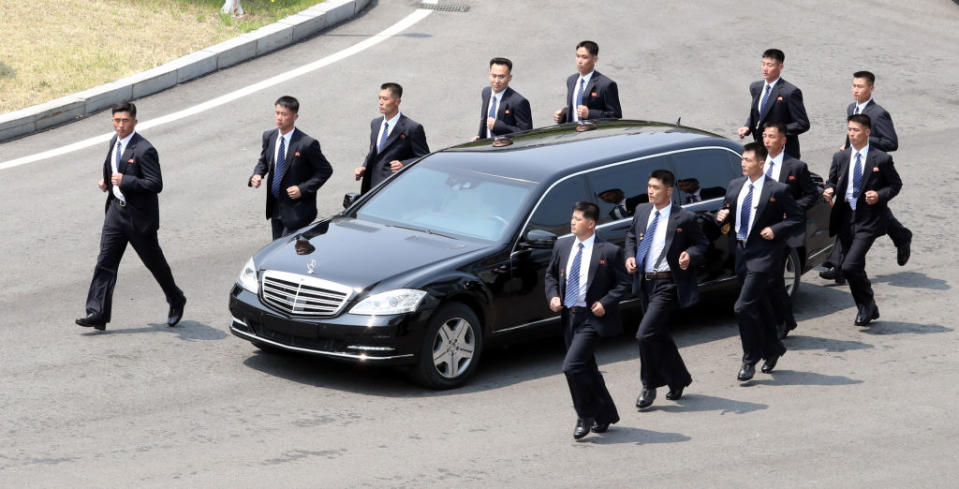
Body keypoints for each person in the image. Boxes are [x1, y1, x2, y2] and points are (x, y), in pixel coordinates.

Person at [75, 102, 186, 331]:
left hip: (139, 218)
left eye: (125, 120)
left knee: (154, 263)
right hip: (116, 213)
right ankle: (97, 312)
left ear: (135, 121)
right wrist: (106, 182)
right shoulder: (113, 142)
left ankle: (175, 298)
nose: (121, 125)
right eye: (117, 120)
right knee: (105, 262)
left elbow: (155, 184)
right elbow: (112, 167)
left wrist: (125, 181)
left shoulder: (145, 149)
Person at [715, 142, 803, 381]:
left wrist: (775, 229)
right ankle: (773, 348)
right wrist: (721, 216)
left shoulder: (778, 190)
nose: (743, 163)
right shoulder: (735, 186)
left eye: (748, 160)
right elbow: (726, 213)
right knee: (759, 305)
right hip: (742, 253)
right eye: (742, 159)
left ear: (761, 163)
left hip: (765, 256)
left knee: (742, 307)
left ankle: (749, 359)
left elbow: (796, 219)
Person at [544, 202, 630, 439]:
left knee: (571, 367)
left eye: (578, 219)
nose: (572, 222)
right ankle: (606, 415)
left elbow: (624, 283)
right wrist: (553, 297)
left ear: (591, 224)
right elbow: (551, 274)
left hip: (592, 318)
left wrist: (605, 302)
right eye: (572, 217)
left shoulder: (608, 251)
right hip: (570, 317)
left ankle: (585, 415)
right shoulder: (562, 245)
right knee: (586, 367)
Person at [625, 170, 708, 409]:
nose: (650, 191)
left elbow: (701, 244)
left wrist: (689, 255)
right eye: (649, 186)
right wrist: (630, 257)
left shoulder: (684, 218)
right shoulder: (642, 211)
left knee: (645, 334)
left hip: (667, 284)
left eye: (656, 187)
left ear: (669, 191)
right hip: (645, 282)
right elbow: (631, 237)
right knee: (658, 334)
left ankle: (649, 385)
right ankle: (678, 378)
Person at [822, 71, 910, 282]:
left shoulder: (879, 114)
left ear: (871, 88)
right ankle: (839, 265)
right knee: (852, 209)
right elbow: (851, 133)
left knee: (871, 209)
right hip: (854, 163)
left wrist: (865, 144)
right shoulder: (852, 108)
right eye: (853, 86)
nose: (855, 90)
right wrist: (849, 147)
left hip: (873, 166)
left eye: (860, 87)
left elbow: (891, 143)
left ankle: (900, 236)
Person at [822, 114, 902, 327]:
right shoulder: (841, 157)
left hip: (868, 219)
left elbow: (895, 184)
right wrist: (829, 189)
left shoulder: (881, 159)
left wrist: (879, 195)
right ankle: (869, 305)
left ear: (867, 132)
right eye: (849, 129)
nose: (851, 133)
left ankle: (865, 306)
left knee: (849, 266)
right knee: (856, 266)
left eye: (856, 130)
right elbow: (831, 180)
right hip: (846, 217)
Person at [761, 122, 819, 338]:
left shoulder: (796, 167)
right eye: (765, 136)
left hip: (784, 230)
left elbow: (812, 194)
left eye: (772, 136)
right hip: (760, 228)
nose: (767, 140)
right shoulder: (757, 162)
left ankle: (780, 322)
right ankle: (785, 318)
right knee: (768, 279)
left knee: (773, 276)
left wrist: (792, 210)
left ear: (783, 140)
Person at [249, 95, 333, 239]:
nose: (279, 118)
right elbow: (264, 161)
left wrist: (303, 189)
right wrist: (257, 174)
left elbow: (325, 170)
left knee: (291, 249)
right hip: (275, 207)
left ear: (295, 117)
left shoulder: (306, 143)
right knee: (277, 248)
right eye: (277, 113)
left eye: (284, 114)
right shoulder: (269, 136)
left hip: (297, 210)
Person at [354, 83, 430, 194]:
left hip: (394, 188)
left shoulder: (412, 128)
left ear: (397, 102)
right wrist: (364, 167)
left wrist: (404, 164)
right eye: (379, 98)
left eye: (385, 99)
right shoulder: (376, 124)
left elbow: (425, 158)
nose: (380, 102)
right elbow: (374, 151)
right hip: (371, 187)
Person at [737, 49, 810, 159]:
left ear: (780, 67)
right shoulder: (756, 87)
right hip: (761, 151)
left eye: (769, 65)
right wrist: (748, 126)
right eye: (763, 64)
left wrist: (777, 132)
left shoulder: (790, 92)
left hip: (783, 153)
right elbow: (757, 112)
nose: (765, 68)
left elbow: (802, 123)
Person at [552, 41, 622, 124]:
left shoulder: (606, 84)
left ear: (595, 59)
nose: (579, 61)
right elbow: (573, 109)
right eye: (577, 56)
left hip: (594, 134)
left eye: (584, 57)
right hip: (573, 134)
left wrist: (590, 114)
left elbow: (615, 115)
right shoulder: (571, 80)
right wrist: (562, 116)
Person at [472, 57, 532, 141]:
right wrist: (480, 137)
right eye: (494, 76)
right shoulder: (486, 93)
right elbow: (484, 120)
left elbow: (527, 134)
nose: (496, 81)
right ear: (489, 75)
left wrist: (498, 126)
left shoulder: (518, 102)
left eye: (501, 77)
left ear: (509, 78)